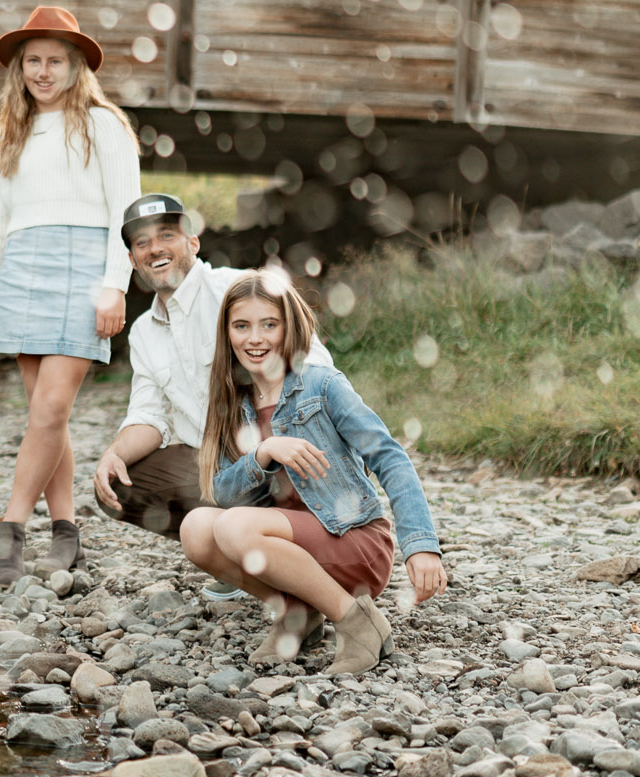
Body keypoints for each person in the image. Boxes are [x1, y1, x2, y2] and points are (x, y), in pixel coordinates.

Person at [0, 6, 138, 587]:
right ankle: (66, 532)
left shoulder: (103, 125)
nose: (43, 71)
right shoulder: (12, 131)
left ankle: (9, 528)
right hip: (26, 270)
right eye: (33, 61)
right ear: (20, 69)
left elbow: (124, 215)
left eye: (55, 60)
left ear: (77, 65)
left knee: (53, 409)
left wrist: (114, 286)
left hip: (84, 271)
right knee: (44, 417)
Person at [186, 269, 448, 675]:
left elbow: (390, 457)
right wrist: (263, 453)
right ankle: (297, 613)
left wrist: (422, 544)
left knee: (234, 528)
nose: (254, 338)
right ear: (227, 333)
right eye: (242, 326)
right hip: (289, 546)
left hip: (352, 541)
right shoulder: (230, 402)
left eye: (268, 324)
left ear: (288, 327)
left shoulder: (321, 385)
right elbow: (224, 492)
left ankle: (357, 622)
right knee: (197, 530)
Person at [90, 193, 335, 539]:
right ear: (132, 259)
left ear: (193, 241)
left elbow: (314, 366)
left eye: (166, 235)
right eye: (142, 242)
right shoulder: (144, 332)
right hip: (220, 468)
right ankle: (229, 546)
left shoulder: (240, 289)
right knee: (119, 484)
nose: (155, 249)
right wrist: (113, 454)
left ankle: (295, 531)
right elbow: (149, 417)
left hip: (283, 452)